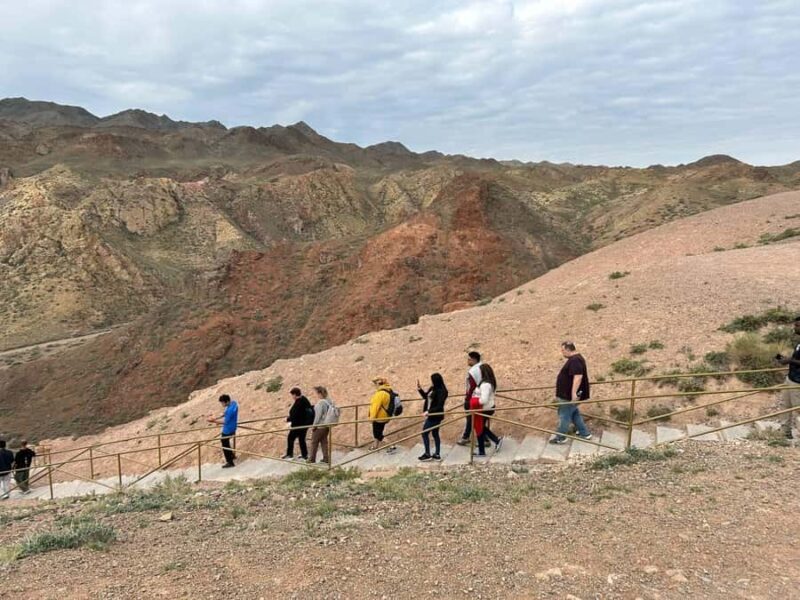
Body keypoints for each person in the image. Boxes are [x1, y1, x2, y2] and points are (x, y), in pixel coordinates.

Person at [550, 341, 592, 444]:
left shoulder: (575, 360)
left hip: (568, 396)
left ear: (568, 350)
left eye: (563, 350)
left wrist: (573, 394)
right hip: (568, 394)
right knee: (573, 413)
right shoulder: (576, 359)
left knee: (564, 415)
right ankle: (584, 433)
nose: (562, 352)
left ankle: (561, 437)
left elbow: (578, 377)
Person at [776, 316, 800, 439]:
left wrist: (789, 360)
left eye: (797, 325)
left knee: (798, 409)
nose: (794, 328)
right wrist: (785, 359)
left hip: (798, 382)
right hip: (791, 378)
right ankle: (784, 433)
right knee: (785, 405)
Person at [417, 373, 448, 461]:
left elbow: (439, 406)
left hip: (435, 415)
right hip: (430, 414)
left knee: (424, 433)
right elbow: (426, 397)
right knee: (435, 433)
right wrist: (420, 389)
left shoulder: (442, 391)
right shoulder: (433, 388)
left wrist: (428, 411)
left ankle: (427, 454)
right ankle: (437, 454)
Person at [475, 363, 504, 457]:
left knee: (480, 428)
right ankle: (483, 449)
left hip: (485, 409)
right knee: (481, 428)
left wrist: (474, 401)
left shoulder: (485, 385)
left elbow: (484, 399)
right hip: (487, 408)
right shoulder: (489, 382)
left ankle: (489, 445)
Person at [457, 351, 483, 446]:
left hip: (474, 398)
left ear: (474, 359)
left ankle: (468, 437)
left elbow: (471, 386)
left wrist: (467, 399)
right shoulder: (482, 367)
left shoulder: (473, 371)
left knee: (471, 418)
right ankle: (467, 436)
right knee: (475, 418)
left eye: (469, 359)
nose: (467, 361)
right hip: (482, 396)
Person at [308, 386, 338, 464]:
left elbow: (317, 416)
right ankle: (326, 458)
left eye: (317, 393)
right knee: (324, 442)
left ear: (320, 393)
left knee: (314, 442)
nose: (316, 395)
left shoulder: (320, 403)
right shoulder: (329, 401)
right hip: (327, 425)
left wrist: (314, 426)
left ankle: (312, 459)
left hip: (320, 426)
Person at [208, 394, 238, 467]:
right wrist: (216, 418)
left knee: (225, 444)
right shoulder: (234, 404)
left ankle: (230, 462)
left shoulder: (230, 410)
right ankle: (232, 456)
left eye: (222, 403)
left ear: (227, 401)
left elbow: (225, 421)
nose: (222, 404)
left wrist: (214, 421)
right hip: (233, 427)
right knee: (227, 443)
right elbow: (225, 414)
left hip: (227, 429)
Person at [283, 387, 314, 460]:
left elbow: (295, 414)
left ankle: (289, 454)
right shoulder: (304, 399)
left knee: (290, 438)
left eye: (292, 395)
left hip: (298, 425)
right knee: (301, 439)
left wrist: (288, 419)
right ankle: (304, 455)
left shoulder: (299, 402)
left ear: (294, 394)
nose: (292, 397)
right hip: (304, 424)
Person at [368, 377, 396, 453]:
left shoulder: (380, 394)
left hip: (379, 417)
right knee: (378, 432)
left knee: (378, 434)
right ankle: (375, 446)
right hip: (385, 416)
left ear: (378, 384)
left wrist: (371, 418)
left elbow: (375, 407)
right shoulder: (388, 391)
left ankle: (391, 445)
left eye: (375, 384)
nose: (375, 386)